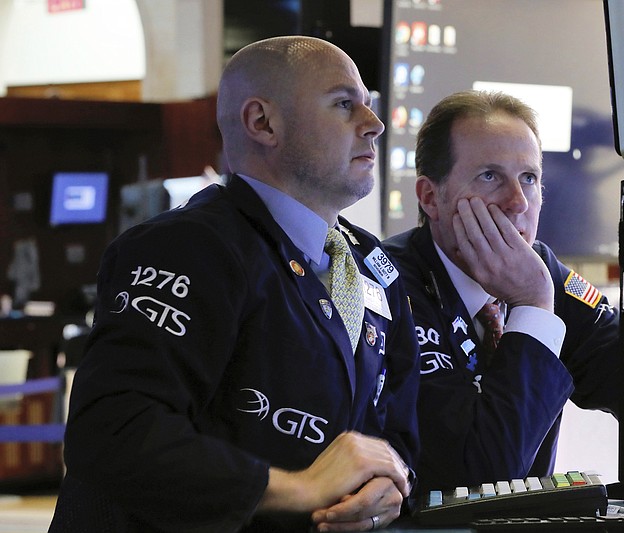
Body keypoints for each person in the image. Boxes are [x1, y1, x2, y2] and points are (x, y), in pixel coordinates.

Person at [49, 36, 420, 533]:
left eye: (368, 106)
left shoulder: (373, 266)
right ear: (262, 122)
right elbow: (115, 433)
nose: (373, 124)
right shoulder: (188, 246)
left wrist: (389, 488)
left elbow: (397, 433)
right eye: (343, 104)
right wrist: (299, 489)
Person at [383, 90, 619, 493]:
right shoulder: (390, 285)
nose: (517, 201)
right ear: (430, 197)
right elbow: (480, 476)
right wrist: (532, 306)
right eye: (490, 176)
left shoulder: (540, 269)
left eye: (529, 178)